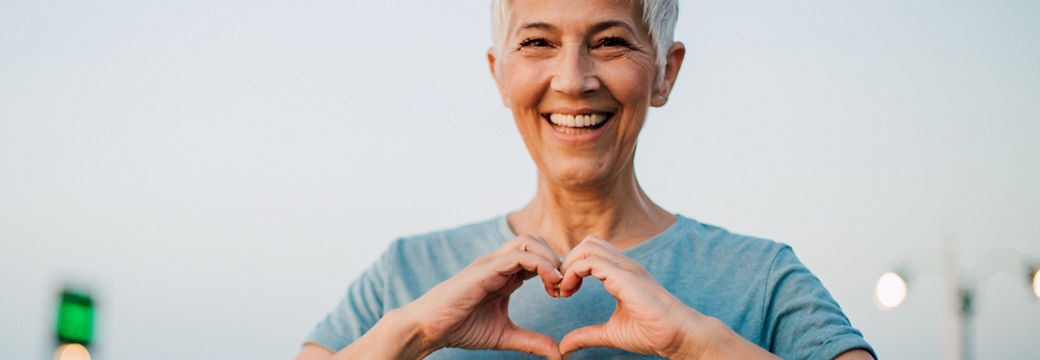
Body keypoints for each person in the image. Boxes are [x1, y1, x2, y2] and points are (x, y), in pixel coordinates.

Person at [296, 0, 875, 359]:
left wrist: (697, 343)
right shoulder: (403, 278)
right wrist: (415, 333)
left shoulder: (765, 281)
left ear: (664, 74)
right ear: (500, 74)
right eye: (538, 42)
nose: (573, 80)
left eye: (611, 42)